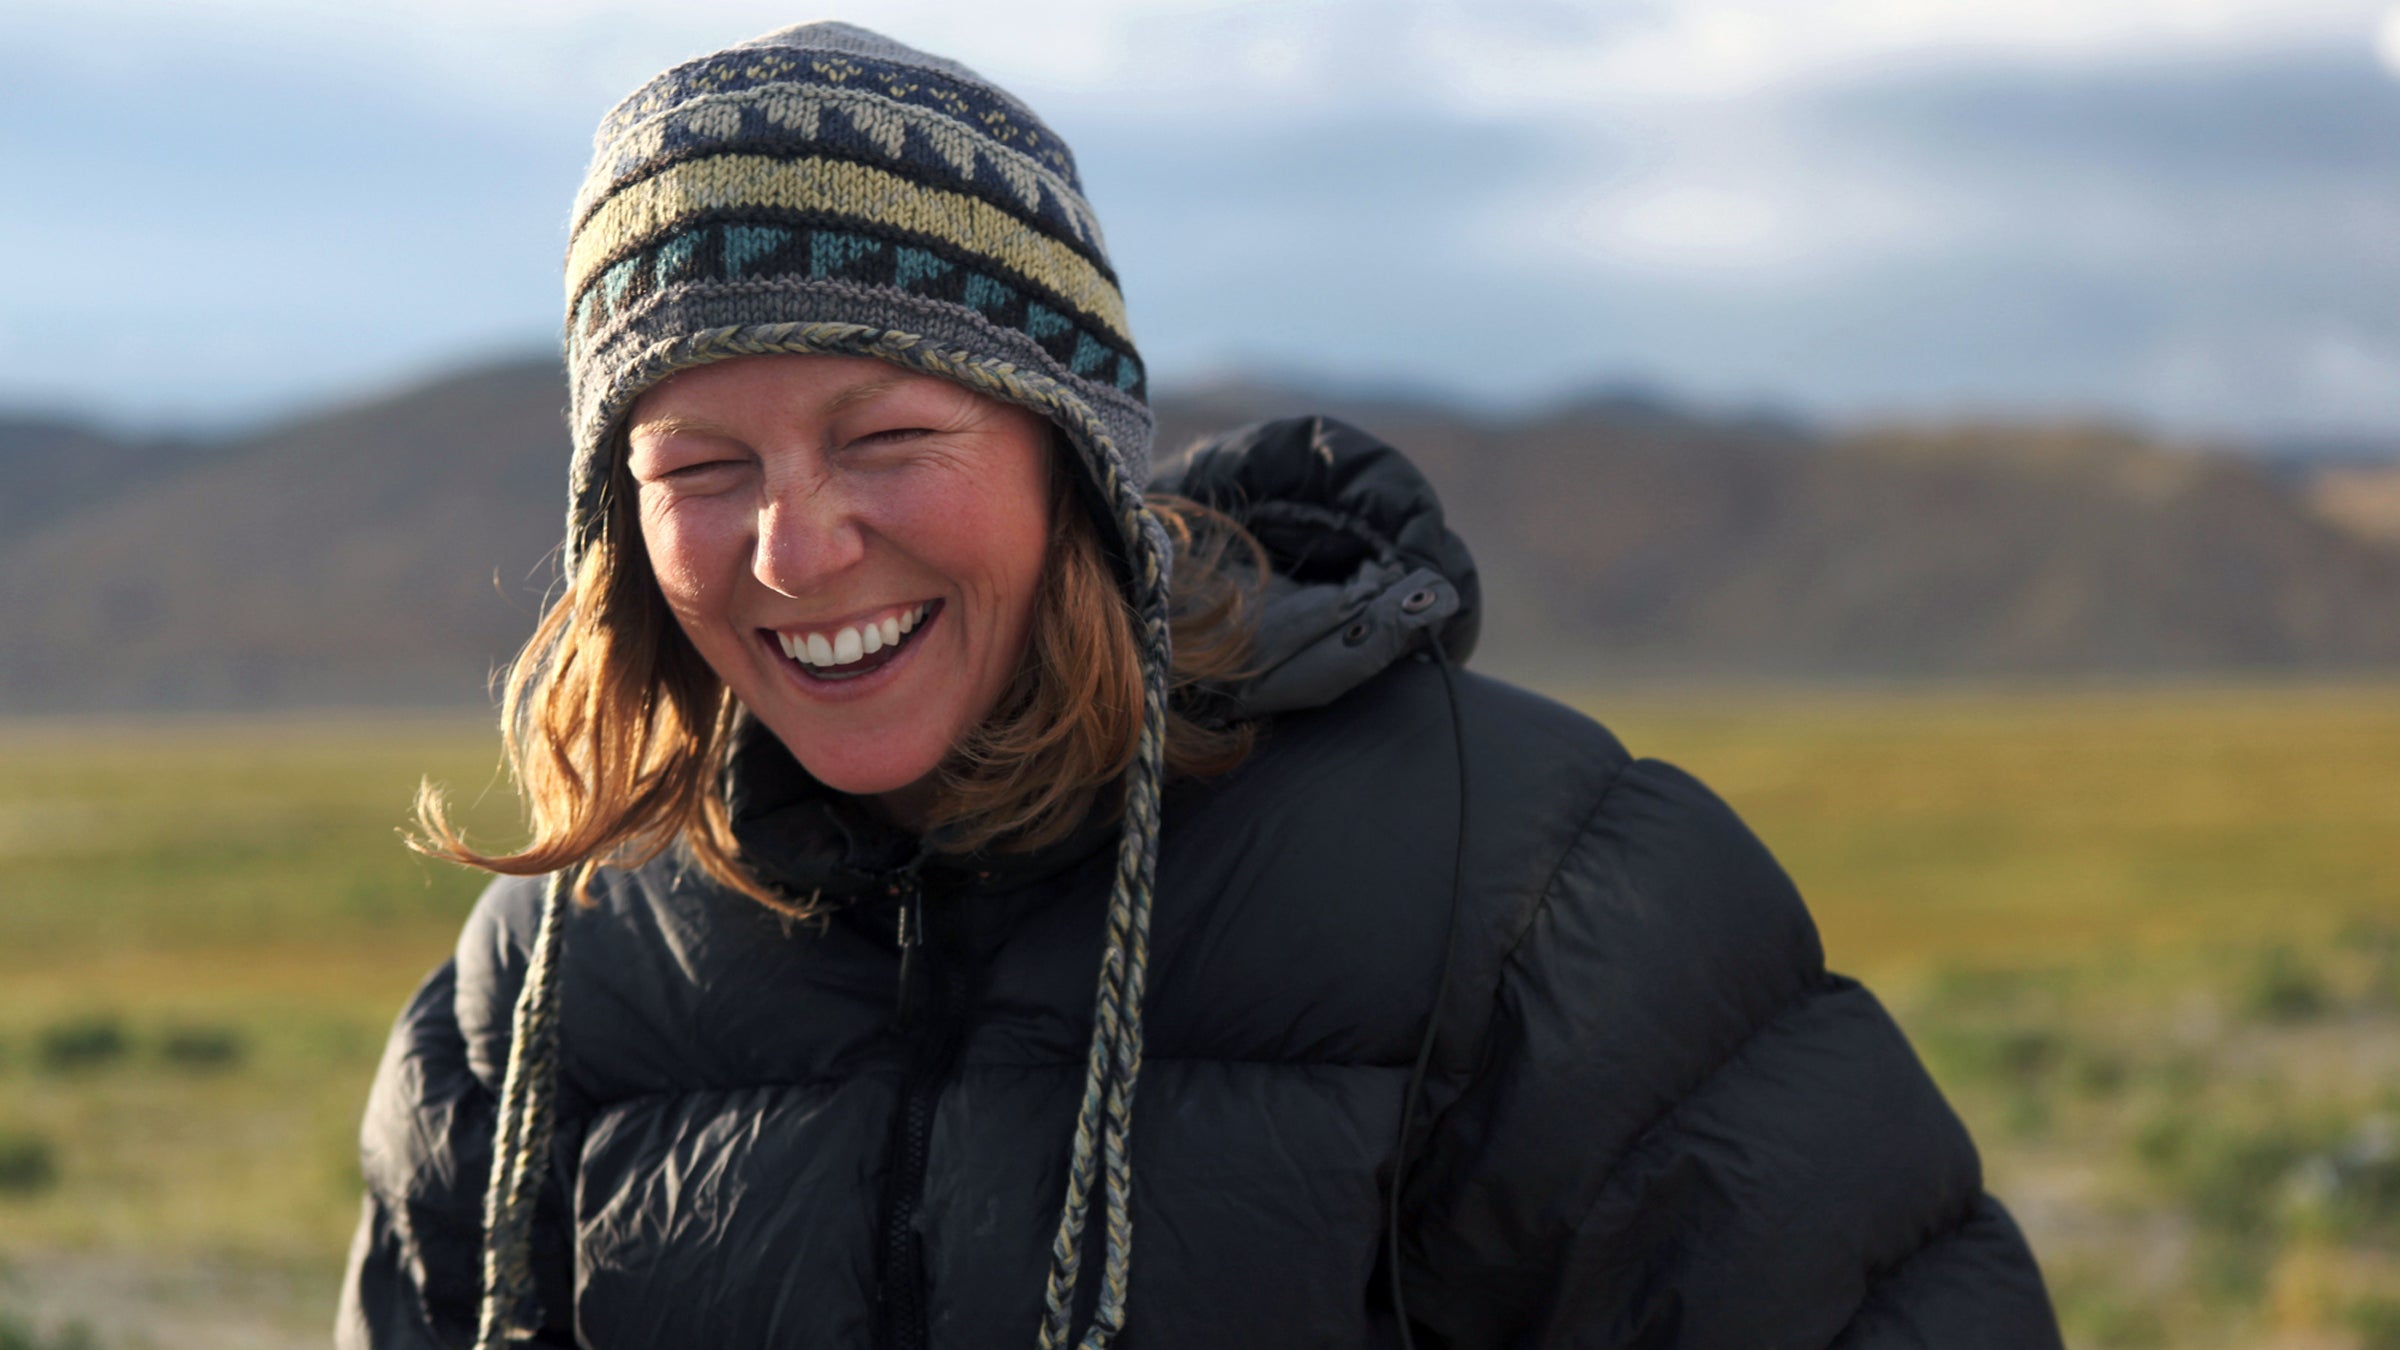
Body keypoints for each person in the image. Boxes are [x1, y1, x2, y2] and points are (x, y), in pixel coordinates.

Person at [338, 21, 2064, 1350]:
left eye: (888, 436)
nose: (794, 548)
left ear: (1075, 459)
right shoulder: (541, 993)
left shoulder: (1531, 893)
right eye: (698, 464)